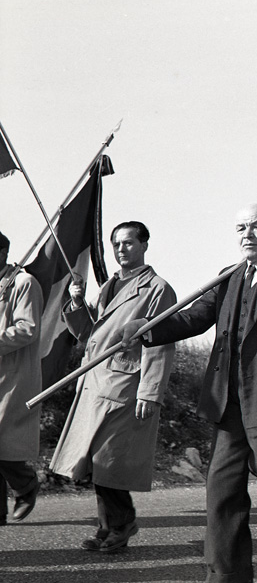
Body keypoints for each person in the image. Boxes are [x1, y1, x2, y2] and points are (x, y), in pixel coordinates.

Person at [120, 203, 257, 583]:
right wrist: (147, 328)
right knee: (221, 492)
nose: (247, 234)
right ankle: (228, 580)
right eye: (240, 228)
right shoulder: (228, 277)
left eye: (256, 227)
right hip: (228, 405)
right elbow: (193, 318)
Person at [50, 221, 176, 551]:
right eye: (116, 244)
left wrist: (150, 392)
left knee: (109, 460)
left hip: (125, 386)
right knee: (95, 461)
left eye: (128, 242)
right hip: (95, 383)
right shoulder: (109, 286)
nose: (121, 249)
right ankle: (107, 528)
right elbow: (88, 333)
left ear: (144, 245)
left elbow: (161, 343)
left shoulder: (158, 289)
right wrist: (77, 302)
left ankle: (122, 524)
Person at [0, 230, 43, 525]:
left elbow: (28, 328)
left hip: (13, 375)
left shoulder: (23, 283)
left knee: (4, 443)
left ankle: (25, 483)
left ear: (3, 253)